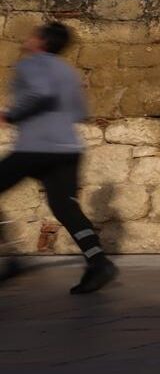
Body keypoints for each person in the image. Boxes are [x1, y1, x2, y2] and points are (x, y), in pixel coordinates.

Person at [0, 21, 117, 295]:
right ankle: (99, 264)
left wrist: (10, 115)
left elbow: (41, 93)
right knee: (65, 207)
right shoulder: (68, 71)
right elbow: (78, 111)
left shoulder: (32, 64)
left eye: (32, 33)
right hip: (68, 148)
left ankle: (10, 257)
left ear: (41, 40)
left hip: (36, 147)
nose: (27, 37)